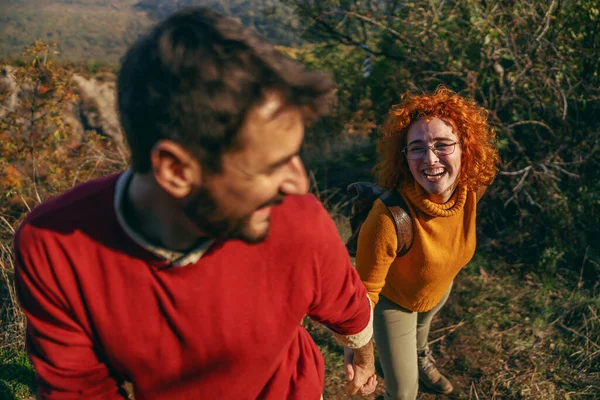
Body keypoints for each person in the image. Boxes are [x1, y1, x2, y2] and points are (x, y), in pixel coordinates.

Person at [13, 7, 377, 399]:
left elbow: (349, 308)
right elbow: (80, 391)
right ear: (176, 171)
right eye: (271, 165)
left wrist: (364, 356)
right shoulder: (55, 246)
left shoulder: (297, 220)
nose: (299, 183)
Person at [353, 87, 500, 399]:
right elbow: (362, 297)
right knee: (404, 392)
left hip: (437, 290)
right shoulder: (388, 218)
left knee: (422, 335)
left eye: (443, 145)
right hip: (396, 304)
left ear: (466, 149)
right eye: (417, 148)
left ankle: (420, 358)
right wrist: (362, 357)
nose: (430, 159)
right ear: (404, 157)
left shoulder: (473, 188)